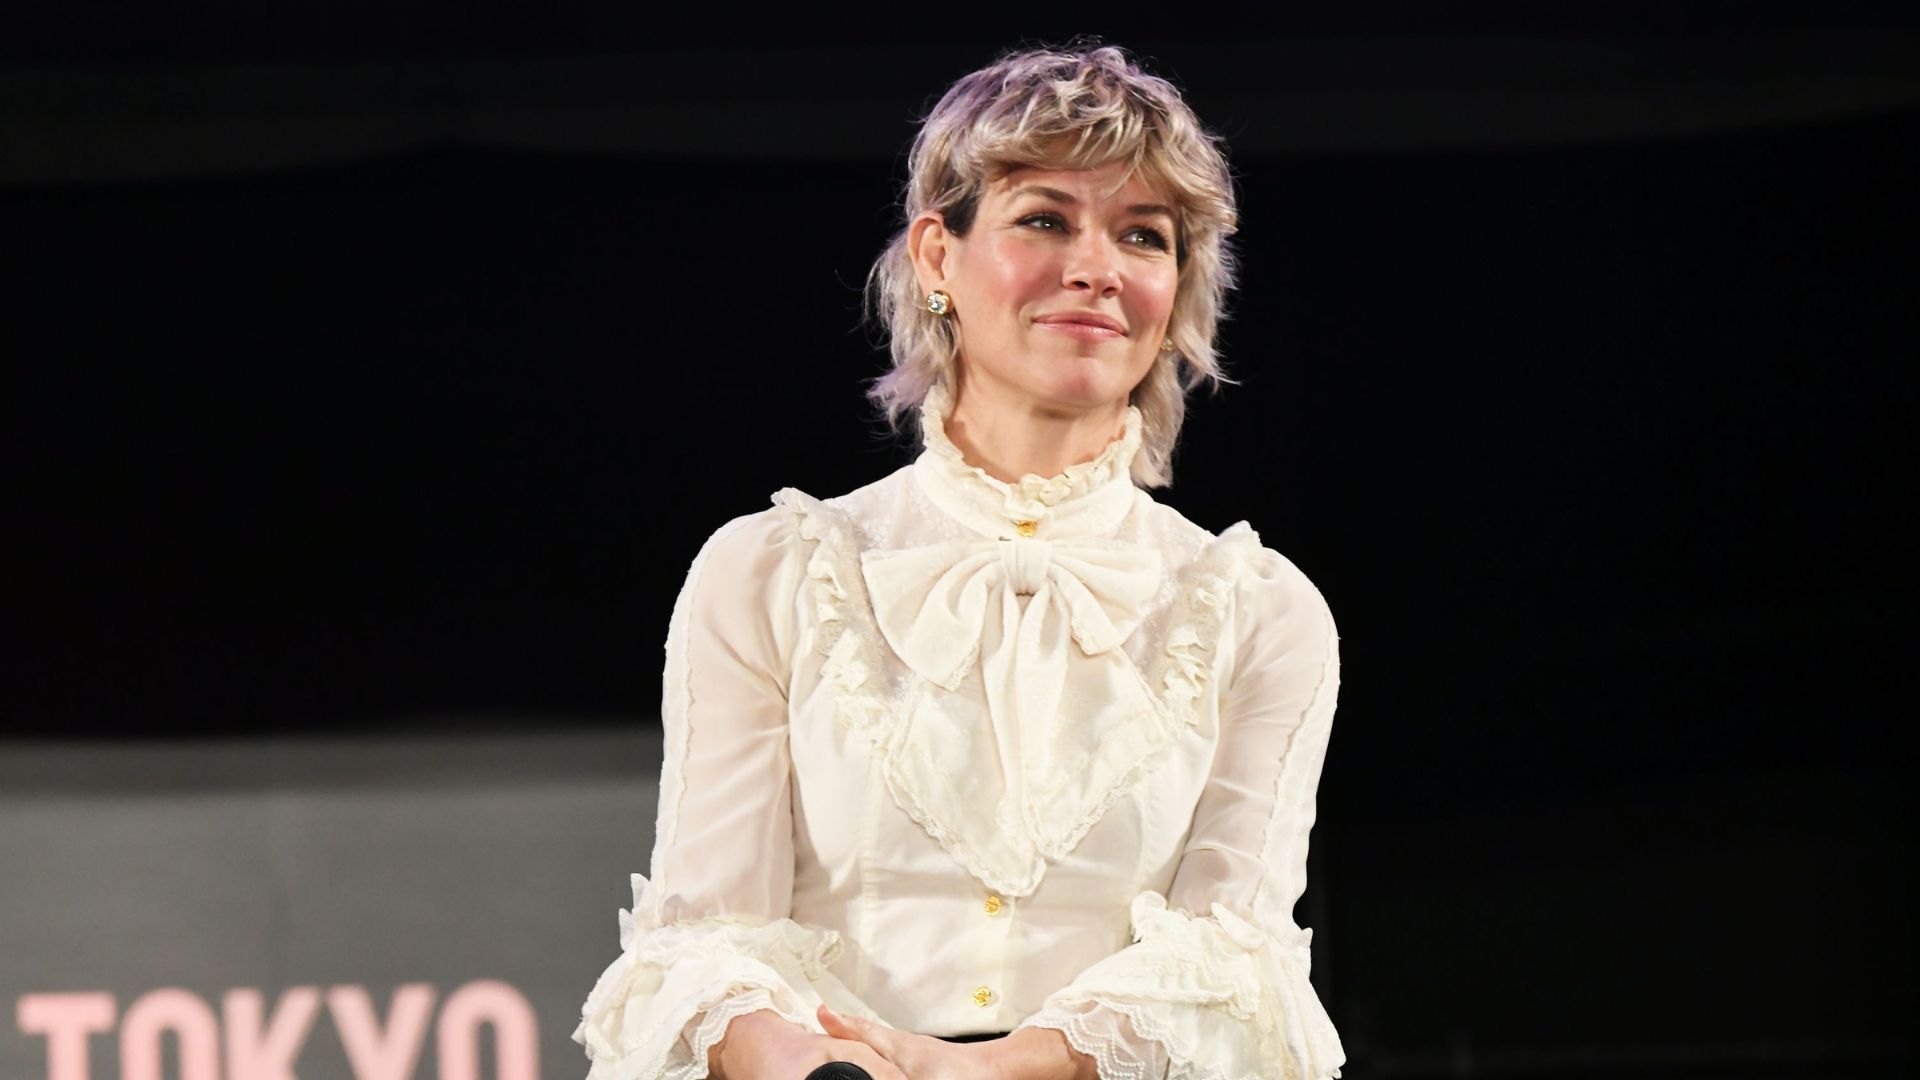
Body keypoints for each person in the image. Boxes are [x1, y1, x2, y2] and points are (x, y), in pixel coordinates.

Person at [574, 43, 1346, 1080]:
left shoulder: (1262, 612)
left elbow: (1233, 957)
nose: (1096, 268)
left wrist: (986, 1071)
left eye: (1143, 236)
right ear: (937, 256)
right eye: (1044, 219)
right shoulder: (767, 575)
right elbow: (704, 938)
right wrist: (831, 1070)